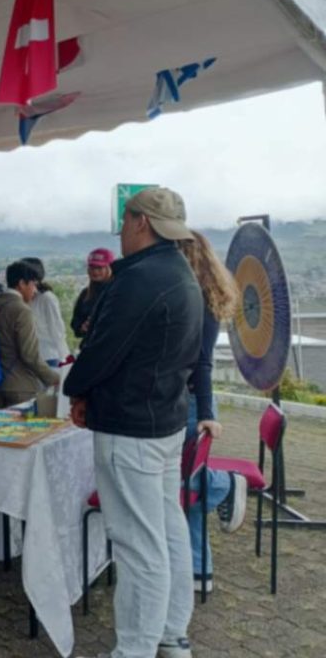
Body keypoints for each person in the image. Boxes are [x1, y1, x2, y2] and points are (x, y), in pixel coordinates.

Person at [65, 187, 203, 658]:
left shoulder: (140, 278)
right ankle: (171, 633)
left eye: (125, 220)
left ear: (141, 221)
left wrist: (77, 389)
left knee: (137, 546)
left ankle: (135, 650)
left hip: (131, 426)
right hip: (164, 420)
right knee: (166, 530)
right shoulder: (180, 271)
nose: (120, 230)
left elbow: (103, 349)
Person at [178, 231, 247, 592]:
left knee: (186, 479)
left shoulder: (200, 303)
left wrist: (207, 413)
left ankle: (226, 482)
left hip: (193, 403)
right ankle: (199, 571)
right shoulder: (197, 297)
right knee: (186, 493)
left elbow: (202, 364)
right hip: (188, 401)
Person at [0, 261, 61, 409]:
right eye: (33, 284)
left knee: (0, 423)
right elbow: (29, 355)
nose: (35, 290)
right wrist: (54, 378)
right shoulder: (22, 310)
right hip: (21, 385)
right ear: (22, 284)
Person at [21, 257, 70, 367]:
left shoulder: (46, 298)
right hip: (27, 356)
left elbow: (57, 330)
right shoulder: (20, 298)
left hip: (48, 356)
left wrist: (64, 357)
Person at [71, 248, 115, 339]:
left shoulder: (116, 292)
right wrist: (82, 327)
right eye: (92, 267)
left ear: (109, 268)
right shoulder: (85, 294)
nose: (95, 271)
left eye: (99, 268)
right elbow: (75, 321)